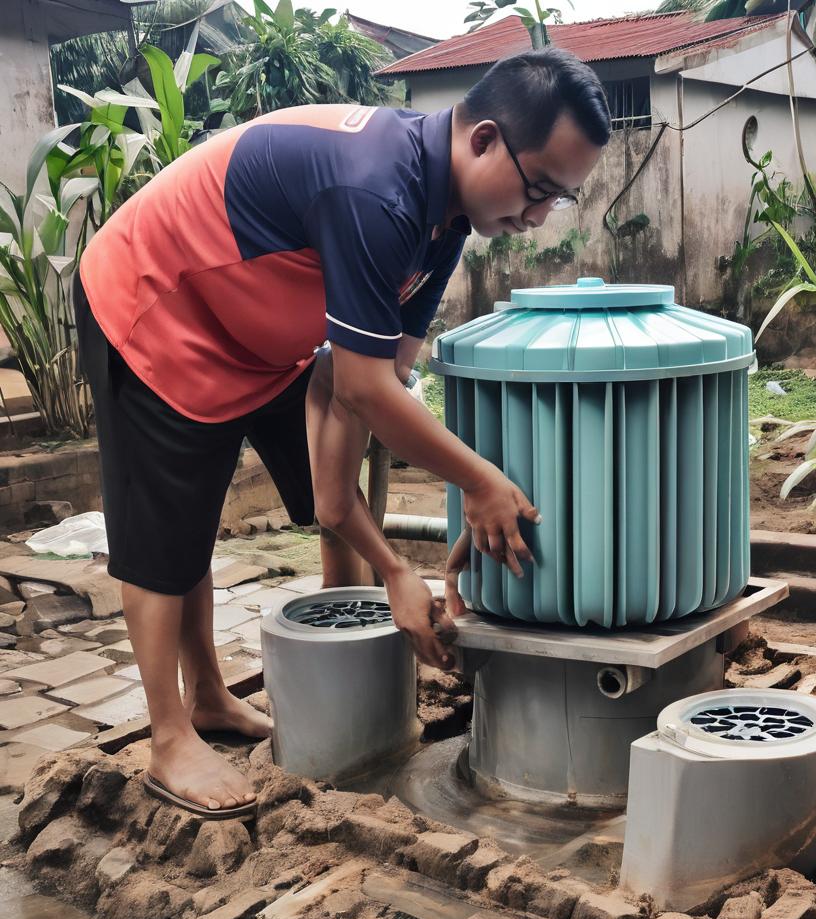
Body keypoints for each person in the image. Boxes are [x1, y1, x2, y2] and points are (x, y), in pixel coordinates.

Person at [73, 47, 611, 818]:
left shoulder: (446, 222)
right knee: (165, 531)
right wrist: (479, 482)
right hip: (159, 297)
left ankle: (214, 698)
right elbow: (361, 386)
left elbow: (372, 387)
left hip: (255, 330)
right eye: (539, 191)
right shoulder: (377, 191)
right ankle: (168, 738)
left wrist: (395, 566)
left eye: (557, 202)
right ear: (484, 139)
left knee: (251, 498)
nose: (535, 219)